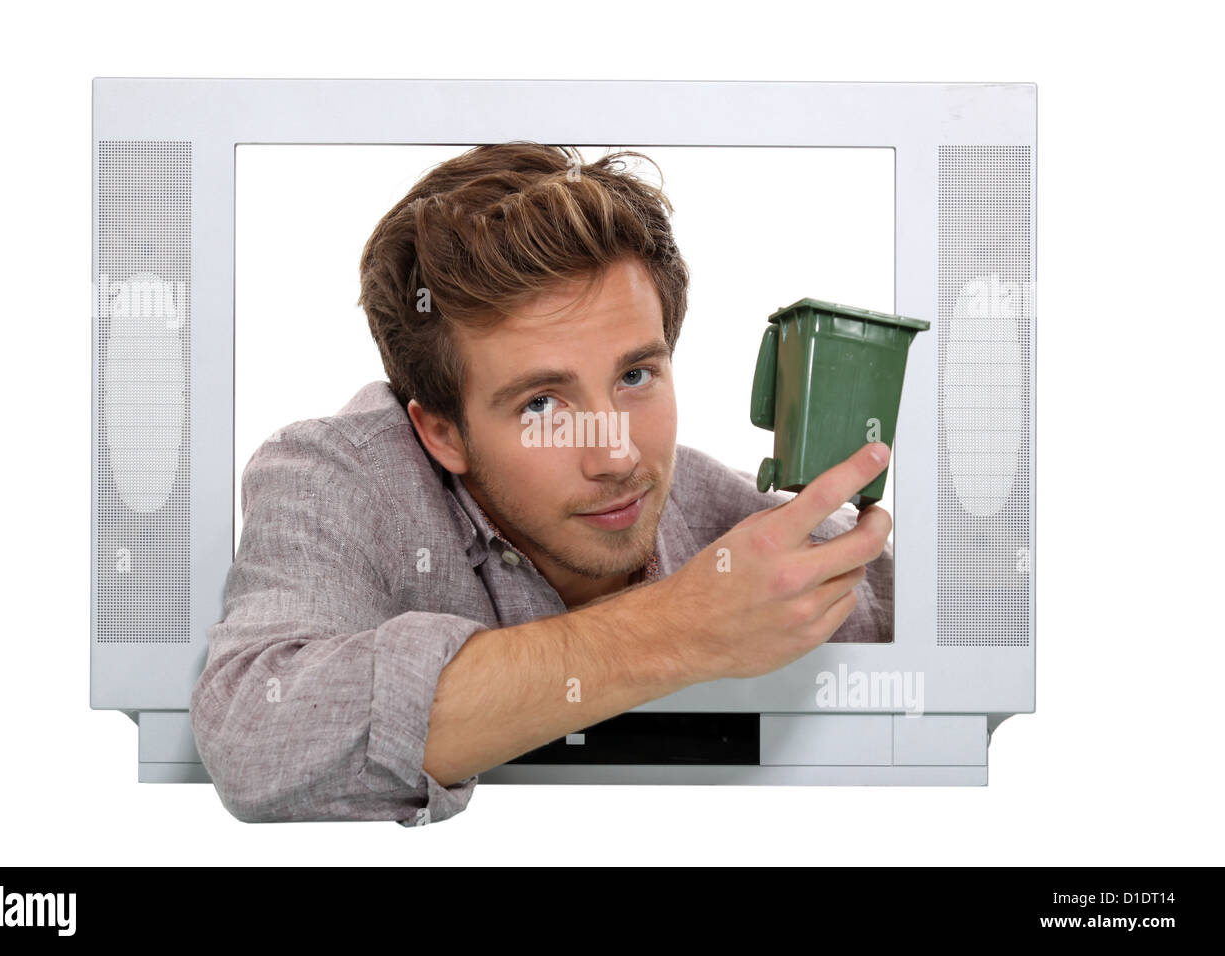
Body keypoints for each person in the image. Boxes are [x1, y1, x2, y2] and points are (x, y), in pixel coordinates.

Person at [189, 142, 894, 826]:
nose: (616, 456)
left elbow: (970, 656)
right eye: (541, 405)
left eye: (635, 376)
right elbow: (258, 732)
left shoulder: (747, 532)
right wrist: (682, 627)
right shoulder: (342, 479)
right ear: (440, 432)